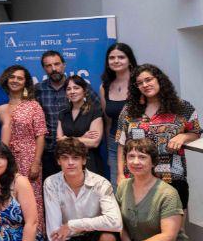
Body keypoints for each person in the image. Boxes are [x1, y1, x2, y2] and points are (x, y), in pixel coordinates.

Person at [44, 137, 121, 241]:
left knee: (109, 238)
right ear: (58, 161)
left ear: (84, 160)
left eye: (76, 158)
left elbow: (115, 222)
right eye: (65, 158)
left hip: (92, 239)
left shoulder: (101, 183)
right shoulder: (51, 183)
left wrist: (73, 224)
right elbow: (54, 230)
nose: (70, 163)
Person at [115, 64, 201, 208]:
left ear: (159, 79)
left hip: (172, 176)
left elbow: (196, 133)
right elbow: (121, 143)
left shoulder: (182, 108)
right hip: (137, 177)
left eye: (148, 80)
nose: (145, 85)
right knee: (138, 225)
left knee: (174, 227)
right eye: (139, 83)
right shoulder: (129, 110)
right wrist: (120, 175)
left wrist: (184, 137)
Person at [35, 50, 98, 180]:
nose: (54, 69)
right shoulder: (37, 90)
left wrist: (77, 138)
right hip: (48, 153)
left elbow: (96, 111)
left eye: (57, 64)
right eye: (48, 66)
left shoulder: (78, 86)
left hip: (78, 154)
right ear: (44, 68)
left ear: (64, 65)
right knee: (52, 190)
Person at [0, 64, 46, 232]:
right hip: (3, 159)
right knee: (8, 196)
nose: (15, 81)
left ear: (26, 82)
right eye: (12, 77)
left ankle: (35, 240)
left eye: (20, 78)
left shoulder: (33, 106)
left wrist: (36, 162)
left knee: (31, 199)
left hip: (28, 158)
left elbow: (40, 135)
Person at [99, 43, 138, 187]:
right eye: (112, 58)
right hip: (115, 144)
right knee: (119, 189)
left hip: (141, 142)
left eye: (121, 57)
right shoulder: (105, 87)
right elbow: (108, 121)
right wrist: (110, 152)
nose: (116, 61)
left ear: (130, 60)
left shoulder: (140, 83)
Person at [56, 75, 104, 174]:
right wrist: (82, 138)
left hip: (90, 162)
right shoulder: (63, 114)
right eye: (68, 89)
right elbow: (59, 142)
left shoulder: (95, 111)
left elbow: (94, 143)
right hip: (68, 164)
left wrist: (67, 139)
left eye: (76, 88)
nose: (72, 92)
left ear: (84, 91)